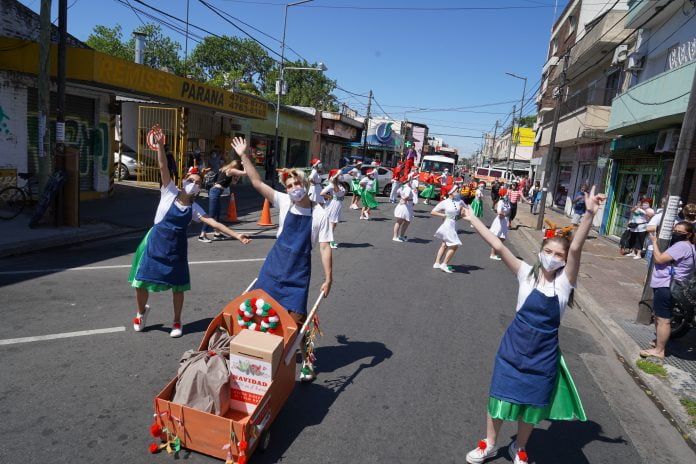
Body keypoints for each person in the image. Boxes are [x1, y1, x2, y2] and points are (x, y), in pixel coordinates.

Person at [463, 187, 605, 464]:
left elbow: (576, 247)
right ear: (540, 251)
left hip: (544, 354)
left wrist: (588, 215)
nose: (552, 256)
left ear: (564, 262)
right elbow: (499, 245)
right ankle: (489, 444)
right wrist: (472, 218)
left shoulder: (564, 285)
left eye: (558, 255)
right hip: (513, 348)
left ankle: (520, 447)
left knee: (530, 404)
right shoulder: (525, 274)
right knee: (499, 397)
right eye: (548, 251)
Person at [129, 126, 250, 338]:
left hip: (176, 249)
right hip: (155, 244)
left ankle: (177, 321)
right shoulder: (168, 191)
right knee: (141, 282)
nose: (194, 185)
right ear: (184, 180)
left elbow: (214, 223)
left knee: (178, 286)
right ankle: (141, 313)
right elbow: (162, 165)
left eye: (198, 183)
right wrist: (160, 145)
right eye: (191, 181)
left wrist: (237, 235)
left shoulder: (195, 209)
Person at [231, 136, 333, 382]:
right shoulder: (285, 202)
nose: (293, 188)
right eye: (288, 185)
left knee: (299, 323)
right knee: (258, 313)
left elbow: (325, 246)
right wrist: (244, 155)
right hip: (273, 270)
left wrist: (329, 278)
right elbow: (256, 182)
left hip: (298, 275)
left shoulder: (320, 214)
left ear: (305, 183)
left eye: (296, 183)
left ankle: (307, 360)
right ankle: (258, 355)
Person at [641, 221, 696, 360]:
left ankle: (659, 351)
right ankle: (659, 343)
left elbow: (659, 259)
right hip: (673, 286)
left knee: (662, 319)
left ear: (688, 234)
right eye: (675, 230)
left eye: (679, 232)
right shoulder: (691, 247)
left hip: (666, 285)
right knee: (662, 317)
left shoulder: (681, 246)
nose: (675, 233)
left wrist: (654, 242)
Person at [198, 160, 247, 243]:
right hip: (215, 191)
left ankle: (217, 233)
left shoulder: (226, 170)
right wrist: (245, 164)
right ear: (237, 166)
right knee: (211, 215)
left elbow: (234, 183)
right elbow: (245, 173)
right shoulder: (231, 170)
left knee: (217, 213)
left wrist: (236, 177)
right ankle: (202, 235)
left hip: (216, 192)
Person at [431, 185, 466, 273]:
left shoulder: (460, 201)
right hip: (448, 224)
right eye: (456, 190)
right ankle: (444, 264)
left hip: (455, 224)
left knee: (445, 244)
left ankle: (437, 263)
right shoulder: (445, 202)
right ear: (451, 192)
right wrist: (443, 215)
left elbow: (467, 209)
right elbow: (433, 212)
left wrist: (462, 214)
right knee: (455, 245)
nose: (458, 191)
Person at [321, 172, 345, 249]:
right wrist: (330, 197)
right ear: (335, 177)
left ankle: (328, 239)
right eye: (339, 175)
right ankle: (330, 241)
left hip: (339, 204)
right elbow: (322, 193)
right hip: (334, 204)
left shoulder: (339, 184)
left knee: (334, 223)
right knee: (333, 223)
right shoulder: (332, 185)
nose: (341, 176)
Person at [489, 188, 510, 260]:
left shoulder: (506, 201)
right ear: (504, 194)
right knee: (498, 237)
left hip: (504, 221)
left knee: (502, 238)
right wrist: (504, 214)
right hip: (500, 221)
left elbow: (508, 211)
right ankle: (493, 254)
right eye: (507, 193)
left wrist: (507, 219)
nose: (508, 194)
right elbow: (498, 212)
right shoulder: (501, 202)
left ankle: (495, 252)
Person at [393, 178, 414, 242]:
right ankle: (396, 236)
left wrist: (402, 198)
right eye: (411, 181)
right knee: (402, 221)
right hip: (406, 206)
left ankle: (400, 236)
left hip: (405, 205)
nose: (411, 183)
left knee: (402, 221)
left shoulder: (402, 187)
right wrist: (404, 199)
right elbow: (407, 196)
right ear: (408, 181)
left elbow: (397, 192)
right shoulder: (408, 188)